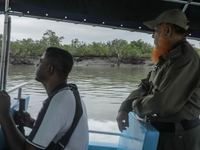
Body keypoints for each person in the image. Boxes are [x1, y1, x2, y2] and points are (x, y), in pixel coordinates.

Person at [116, 9, 200, 150]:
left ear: (167, 31)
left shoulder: (185, 59)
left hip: (178, 138)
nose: (152, 35)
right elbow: (146, 84)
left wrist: (135, 105)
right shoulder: (167, 57)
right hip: (164, 134)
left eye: (155, 30)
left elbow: (162, 103)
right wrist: (125, 106)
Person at [0, 47, 89, 150]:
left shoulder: (56, 103)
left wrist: (4, 114)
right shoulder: (71, 94)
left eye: (40, 62)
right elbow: (58, 129)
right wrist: (30, 122)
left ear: (49, 69)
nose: (37, 65)